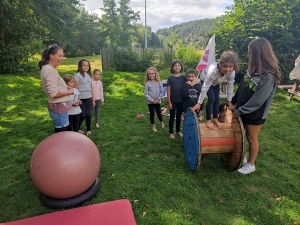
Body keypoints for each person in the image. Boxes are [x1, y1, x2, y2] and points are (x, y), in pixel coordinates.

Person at [232, 37, 281, 174]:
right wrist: (234, 100)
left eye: (251, 53)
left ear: (260, 53)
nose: (248, 55)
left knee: (251, 137)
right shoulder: (252, 68)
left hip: (255, 113)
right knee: (240, 135)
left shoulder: (268, 75)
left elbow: (258, 100)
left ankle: (251, 164)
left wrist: (239, 111)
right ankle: (243, 155)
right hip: (242, 109)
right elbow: (242, 86)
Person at [192, 51, 239, 129]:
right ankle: (207, 120)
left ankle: (215, 119)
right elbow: (205, 87)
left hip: (216, 82)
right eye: (225, 66)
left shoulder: (232, 72)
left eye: (230, 66)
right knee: (212, 98)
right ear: (220, 64)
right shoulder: (213, 70)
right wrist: (199, 103)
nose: (227, 69)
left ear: (234, 66)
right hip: (205, 79)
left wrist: (229, 101)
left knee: (217, 99)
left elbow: (230, 85)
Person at [39, 44, 73, 133]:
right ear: (51, 56)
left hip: (58, 108)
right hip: (59, 108)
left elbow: (53, 87)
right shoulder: (50, 71)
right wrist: (68, 91)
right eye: (60, 56)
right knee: (62, 134)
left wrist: (65, 87)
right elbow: (53, 94)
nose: (62, 58)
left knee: (64, 131)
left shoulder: (47, 69)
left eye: (63, 56)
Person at [167, 59, 186, 138]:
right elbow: (168, 91)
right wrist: (169, 102)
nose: (177, 67)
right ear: (172, 68)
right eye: (175, 66)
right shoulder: (170, 78)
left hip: (181, 101)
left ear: (181, 67)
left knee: (179, 116)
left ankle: (178, 131)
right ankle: (171, 132)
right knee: (172, 116)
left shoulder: (184, 78)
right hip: (173, 101)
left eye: (178, 66)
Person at [74, 59, 94, 136]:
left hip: (88, 97)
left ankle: (88, 129)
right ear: (80, 66)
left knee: (89, 114)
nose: (86, 67)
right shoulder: (77, 75)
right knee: (83, 115)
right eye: (84, 65)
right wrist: (77, 99)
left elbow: (90, 87)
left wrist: (93, 98)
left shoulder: (89, 75)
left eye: (87, 65)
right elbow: (75, 89)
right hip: (81, 98)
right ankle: (77, 128)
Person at [144, 67, 165, 132]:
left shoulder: (159, 82)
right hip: (151, 102)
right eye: (149, 74)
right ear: (147, 75)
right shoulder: (147, 84)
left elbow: (162, 91)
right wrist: (152, 100)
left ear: (155, 74)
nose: (151, 75)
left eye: (153, 73)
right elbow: (146, 94)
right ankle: (153, 125)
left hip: (157, 101)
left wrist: (158, 99)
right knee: (152, 114)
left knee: (159, 113)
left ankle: (161, 122)